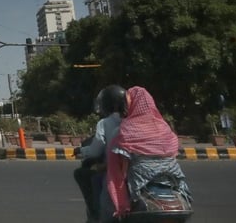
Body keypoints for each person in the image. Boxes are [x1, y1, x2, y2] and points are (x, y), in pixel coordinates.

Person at [106, 86, 192, 220]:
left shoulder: (126, 130)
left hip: (142, 188)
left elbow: (119, 174)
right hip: (174, 185)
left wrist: (122, 206)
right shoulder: (165, 128)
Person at [74, 85, 125, 223]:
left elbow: (96, 150)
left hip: (115, 168)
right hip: (135, 167)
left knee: (90, 176)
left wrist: (81, 151)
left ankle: (96, 214)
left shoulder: (105, 123)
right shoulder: (132, 120)